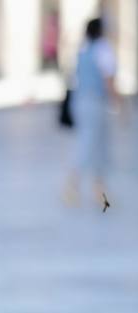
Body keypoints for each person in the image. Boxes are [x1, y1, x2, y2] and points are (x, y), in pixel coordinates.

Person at [65, 18, 120, 208]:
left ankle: (99, 191)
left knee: (98, 146)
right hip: (96, 103)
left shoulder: (84, 50)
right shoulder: (103, 49)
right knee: (89, 145)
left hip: (81, 102)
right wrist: (120, 104)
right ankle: (72, 186)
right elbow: (109, 79)